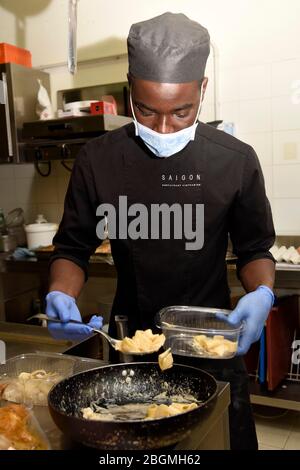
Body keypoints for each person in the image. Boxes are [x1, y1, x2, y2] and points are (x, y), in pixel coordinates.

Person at [46, 12, 275, 449]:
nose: (164, 128)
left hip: (213, 348)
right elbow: (72, 249)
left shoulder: (235, 160)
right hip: (131, 347)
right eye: (148, 112)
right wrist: (62, 293)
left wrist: (261, 293)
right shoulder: (98, 161)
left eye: (181, 112)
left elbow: (256, 249)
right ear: (130, 87)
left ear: (202, 90)